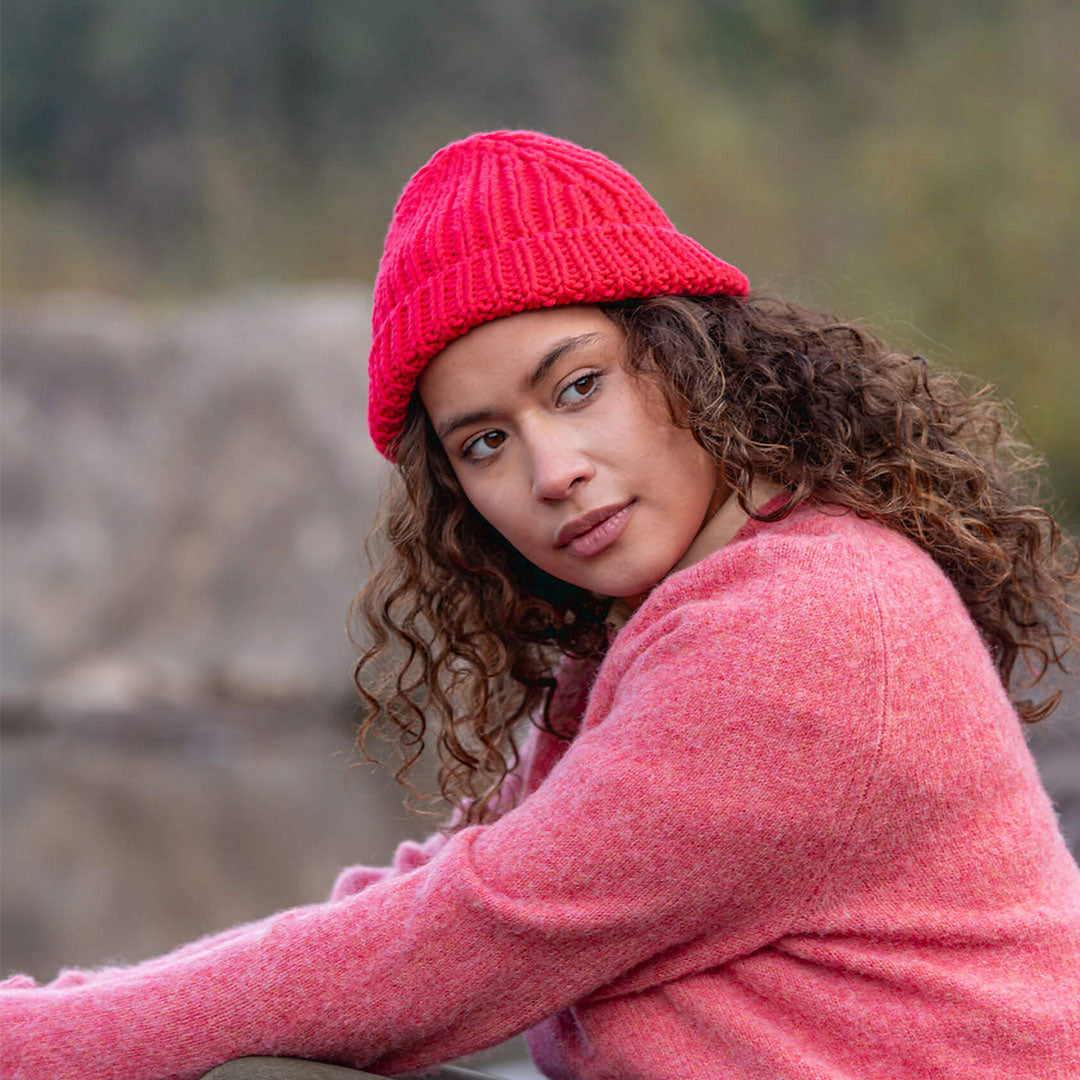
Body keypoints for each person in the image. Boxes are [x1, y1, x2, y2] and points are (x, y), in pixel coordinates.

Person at [3, 129, 1079, 1080]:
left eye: (577, 387)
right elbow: (427, 890)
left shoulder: (805, 627)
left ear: (689, 355)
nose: (552, 471)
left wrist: (34, 1044)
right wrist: (60, 1008)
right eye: (485, 442)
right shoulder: (677, 615)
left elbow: (452, 944)